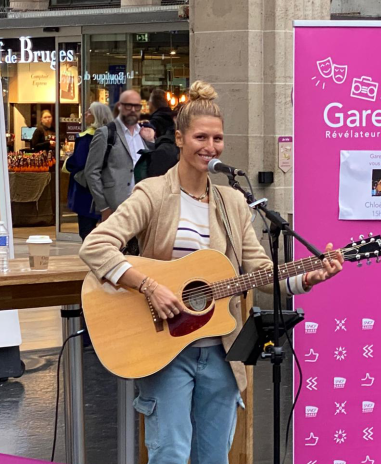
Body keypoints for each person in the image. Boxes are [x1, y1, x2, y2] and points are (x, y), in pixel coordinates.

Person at [79, 80, 344, 464]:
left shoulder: (233, 202)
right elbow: (95, 246)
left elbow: (258, 271)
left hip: (221, 349)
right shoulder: (153, 194)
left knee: (214, 456)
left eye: (218, 138)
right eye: (201, 137)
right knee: (169, 453)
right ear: (182, 139)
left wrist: (306, 277)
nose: (210, 147)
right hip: (166, 350)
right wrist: (150, 286)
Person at [84, 90, 153, 223]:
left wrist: (151, 142)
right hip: (116, 206)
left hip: (142, 206)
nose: (133, 110)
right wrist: (104, 207)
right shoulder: (106, 133)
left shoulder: (145, 134)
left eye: (136, 107)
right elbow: (91, 171)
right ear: (120, 107)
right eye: (128, 106)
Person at [66, 102, 114, 240]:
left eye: (89, 112)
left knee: (86, 230)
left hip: (86, 191)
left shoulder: (86, 138)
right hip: (108, 187)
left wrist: (69, 163)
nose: (85, 114)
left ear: (96, 116)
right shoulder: (113, 136)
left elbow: (78, 162)